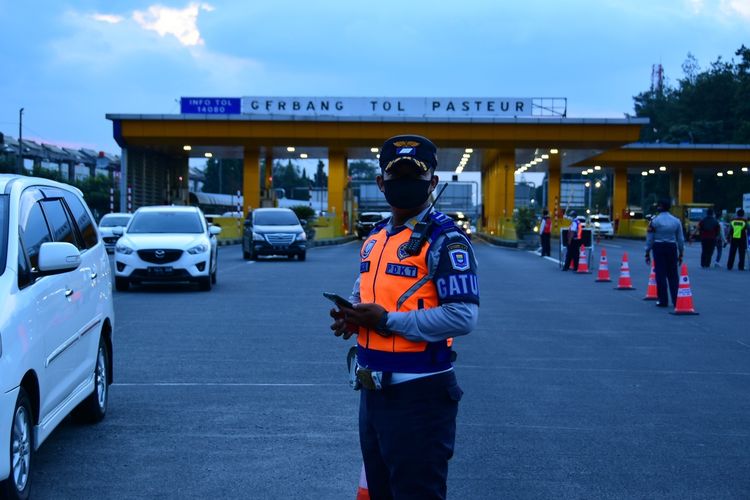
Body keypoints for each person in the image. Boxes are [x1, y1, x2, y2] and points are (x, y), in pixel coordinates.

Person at [329, 134, 479, 500]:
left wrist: (385, 321)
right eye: (396, 177)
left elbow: (463, 316)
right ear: (381, 183)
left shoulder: (446, 240)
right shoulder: (376, 238)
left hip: (421, 396)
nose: (405, 184)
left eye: (415, 176)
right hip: (373, 392)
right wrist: (351, 318)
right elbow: (364, 296)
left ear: (433, 182)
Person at [645, 198, 685, 307]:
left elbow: (650, 238)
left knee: (660, 274)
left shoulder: (654, 221)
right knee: (673, 275)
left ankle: (663, 300)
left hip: (658, 247)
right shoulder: (676, 221)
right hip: (672, 247)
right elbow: (680, 239)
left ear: (660, 207)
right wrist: (681, 252)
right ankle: (676, 300)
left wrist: (647, 252)